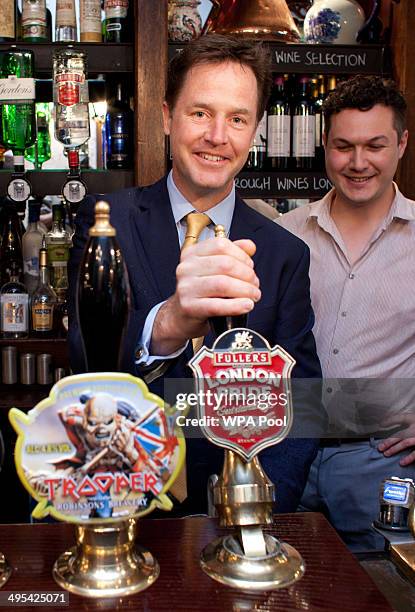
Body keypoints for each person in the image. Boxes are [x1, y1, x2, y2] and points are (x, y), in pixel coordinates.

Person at [68, 34, 322, 516]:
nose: (218, 136)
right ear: (166, 116)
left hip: (243, 513)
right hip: (123, 502)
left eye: (238, 119)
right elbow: (83, 356)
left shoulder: (285, 253)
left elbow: (303, 403)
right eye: (200, 113)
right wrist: (168, 324)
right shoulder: (109, 221)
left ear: (255, 132)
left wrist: (260, 508)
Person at [277, 75, 415, 551]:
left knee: (387, 593)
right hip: (285, 453)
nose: (358, 163)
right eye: (343, 146)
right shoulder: (285, 234)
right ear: (324, 145)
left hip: (384, 461)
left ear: (401, 143)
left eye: (374, 145)